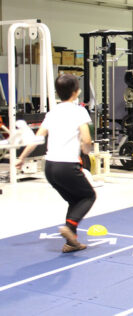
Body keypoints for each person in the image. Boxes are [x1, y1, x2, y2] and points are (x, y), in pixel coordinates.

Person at [16, 74, 96, 253]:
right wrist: (86, 151)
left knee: (74, 200)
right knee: (88, 196)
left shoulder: (53, 112)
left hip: (50, 168)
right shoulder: (79, 111)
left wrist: (21, 158)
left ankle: (71, 242)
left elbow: (38, 138)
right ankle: (69, 226)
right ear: (76, 92)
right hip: (67, 166)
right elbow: (87, 138)